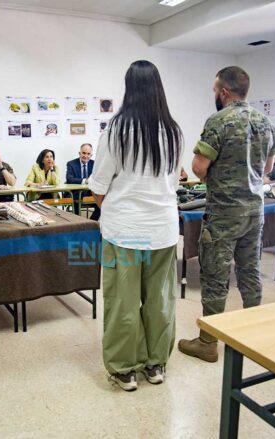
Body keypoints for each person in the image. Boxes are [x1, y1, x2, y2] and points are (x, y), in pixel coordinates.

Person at [89, 60, 183, 391]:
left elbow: (98, 187)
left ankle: (124, 369)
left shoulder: (116, 131)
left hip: (125, 230)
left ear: (129, 88)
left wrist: (113, 211)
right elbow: (172, 183)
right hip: (163, 229)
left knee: (123, 301)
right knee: (160, 299)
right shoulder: (174, 132)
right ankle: (155, 364)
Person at [178, 66, 275, 363]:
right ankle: (254, 333)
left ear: (223, 91)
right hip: (254, 211)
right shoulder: (266, 122)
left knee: (216, 274)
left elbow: (198, 168)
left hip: (223, 212)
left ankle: (208, 342)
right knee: (250, 270)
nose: (214, 96)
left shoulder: (219, 121)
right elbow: (268, 170)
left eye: (214, 91)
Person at [66, 143, 100, 220]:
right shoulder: (71, 164)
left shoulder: (95, 164)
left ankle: (91, 223)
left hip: (90, 193)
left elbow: (97, 178)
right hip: (75, 193)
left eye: (88, 154)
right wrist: (85, 181)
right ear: (79, 153)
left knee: (102, 204)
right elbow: (69, 179)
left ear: (91, 155)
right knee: (76, 202)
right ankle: (78, 224)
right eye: (84, 153)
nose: (86, 156)